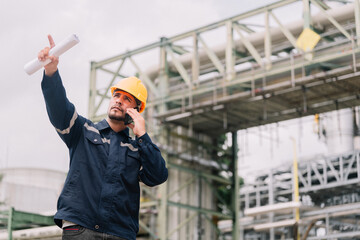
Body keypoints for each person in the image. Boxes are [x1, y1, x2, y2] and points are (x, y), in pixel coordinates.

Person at [38, 35, 168, 240]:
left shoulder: (137, 148)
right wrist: (51, 71)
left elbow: (158, 175)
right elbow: (58, 107)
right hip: (81, 229)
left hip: (120, 234)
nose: (119, 101)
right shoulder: (83, 131)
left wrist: (142, 135)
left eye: (127, 99)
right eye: (117, 96)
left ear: (136, 110)